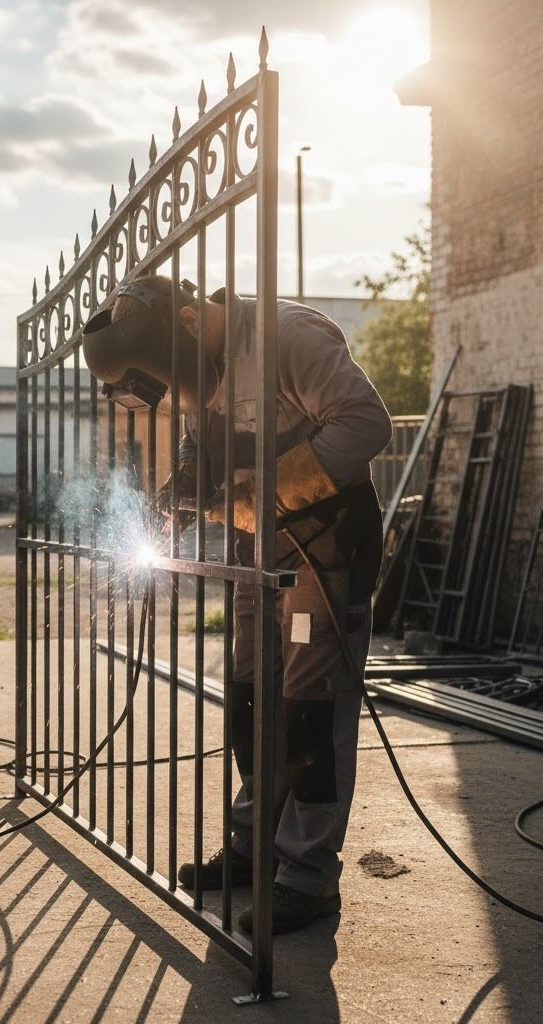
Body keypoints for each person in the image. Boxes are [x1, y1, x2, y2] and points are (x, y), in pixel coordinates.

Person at [82, 275, 392, 934]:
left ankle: (307, 875)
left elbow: (366, 424)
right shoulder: (193, 358)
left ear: (193, 321)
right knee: (252, 696)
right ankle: (254, 847)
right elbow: (201, 437)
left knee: (309, 708)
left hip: (324, 548)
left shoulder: (288, 335)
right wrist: (183, 483)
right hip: (256, 551)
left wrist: (270, 497)